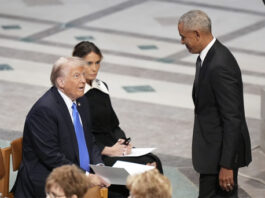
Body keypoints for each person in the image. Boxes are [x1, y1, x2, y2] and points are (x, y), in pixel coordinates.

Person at [72, 41, 163, 197]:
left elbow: (113, 124)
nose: (94, 68)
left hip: (113, 147)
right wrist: (108, 150)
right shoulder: (75, 93)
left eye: (97, 63)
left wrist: (123, 143)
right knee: (143, 168)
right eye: (89, 63)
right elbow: (78, 135)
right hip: (95, 154)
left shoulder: (102, 87)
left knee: (153, 160)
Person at [178, 10, 252, 197]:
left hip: (220, 158)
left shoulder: (220, 64)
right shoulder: (206, 57)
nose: (181, 42)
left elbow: (232, 118)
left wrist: (227, 165)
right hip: (211, 154)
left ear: (196, 34)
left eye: (183, 37)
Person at [13, 57, 108, 198]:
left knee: (117, 189)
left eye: (83, 74)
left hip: (75, 171)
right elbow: (52, 157)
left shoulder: (81, 101)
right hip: (50, 180)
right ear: (60, 82)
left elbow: (89, 139)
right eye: (77, 76)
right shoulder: (44, 110)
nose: (83, 80)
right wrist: (86, 177)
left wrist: (100, 167)